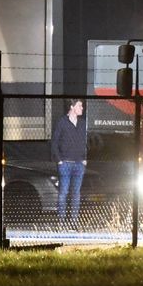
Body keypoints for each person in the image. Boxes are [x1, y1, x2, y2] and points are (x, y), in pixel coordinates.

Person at [51, 98, 87, 229]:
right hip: (65, 163)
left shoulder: (82, 123)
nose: (82, 108)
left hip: (79, 163)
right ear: (72, 107)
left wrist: (84, 159)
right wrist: (59, 160)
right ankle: (60, 221)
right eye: (80, 106)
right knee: (63, 192)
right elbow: (54, 142)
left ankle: (73, 222)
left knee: (76, 194)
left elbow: (85, 142)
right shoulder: (62, 122)